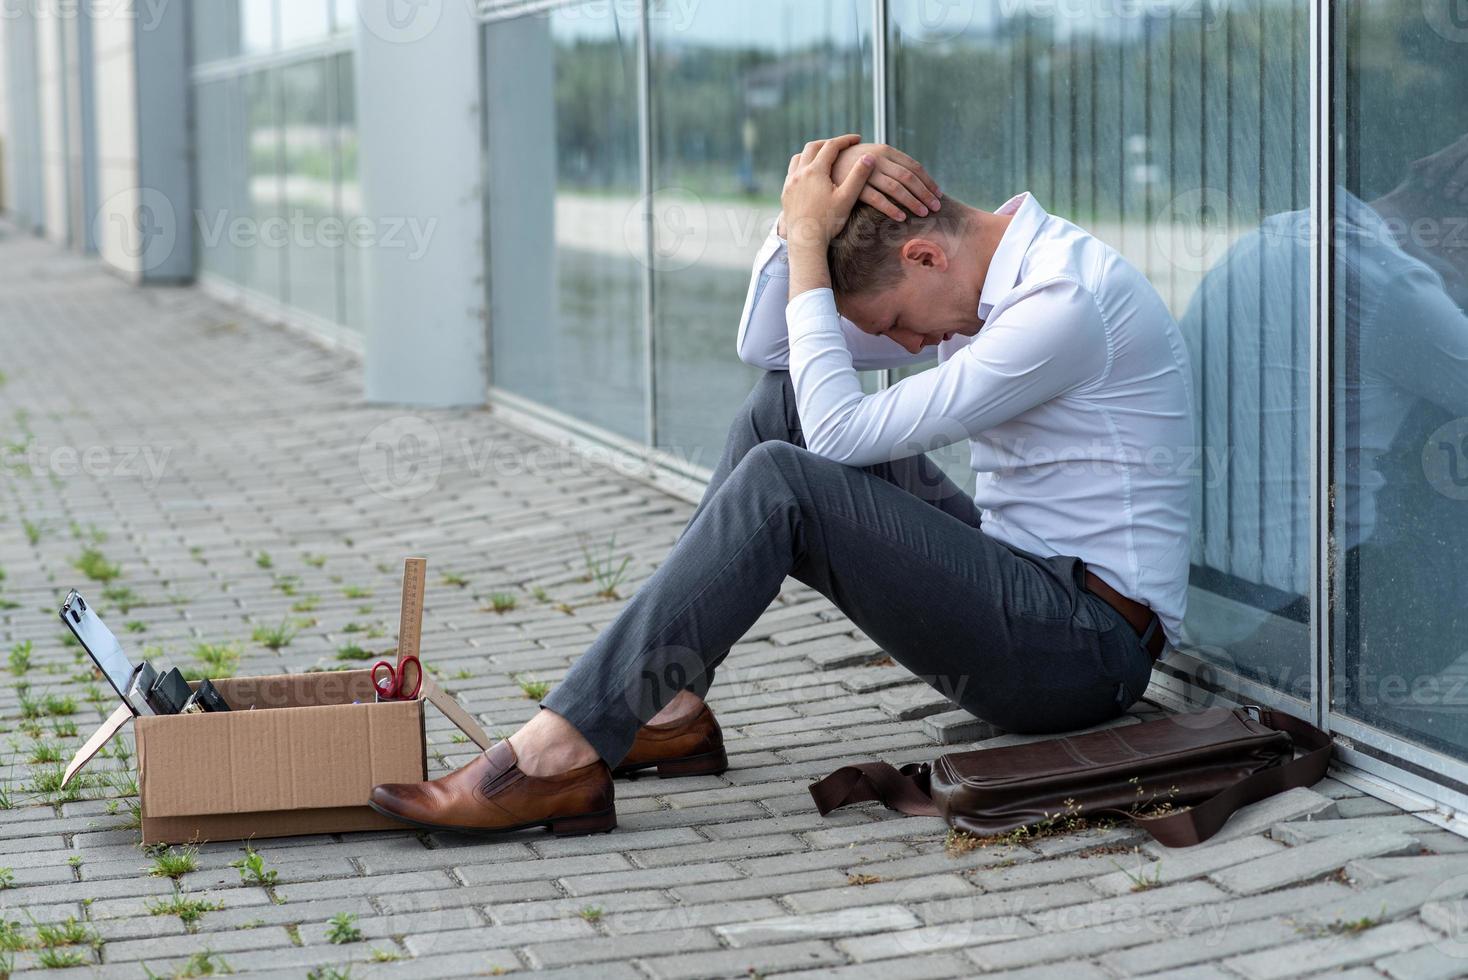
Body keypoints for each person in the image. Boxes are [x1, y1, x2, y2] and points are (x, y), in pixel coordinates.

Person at [369, 134, 1195, 836]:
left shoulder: (1061, 303)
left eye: (898, 321)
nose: (908, 344)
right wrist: (796, 222)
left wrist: (809, 250)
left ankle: (560, 750)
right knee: (784, 407)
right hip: (1020, 584)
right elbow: (772, 352)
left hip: (1086, 654)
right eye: (893, 334)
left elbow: (838, 436)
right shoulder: (969, 276)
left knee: (789, 481)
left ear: (925, 254)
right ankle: (670, 709)